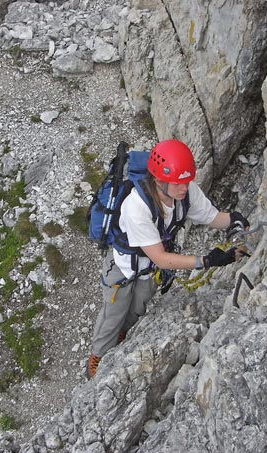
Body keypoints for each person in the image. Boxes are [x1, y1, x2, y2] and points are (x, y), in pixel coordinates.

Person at [87, 139, 249, 378]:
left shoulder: (185, 191)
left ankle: (121, 335)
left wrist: (234, 221)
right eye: (177, 183)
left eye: (186, 181)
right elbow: (162, 258)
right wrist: (206, 260)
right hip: (123, 266)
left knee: (137, 308)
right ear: (158, 180)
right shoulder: (137, 207)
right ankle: (98, 355)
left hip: (148, 269)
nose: (184, 188)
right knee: (113, 313)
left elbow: (211, 216)